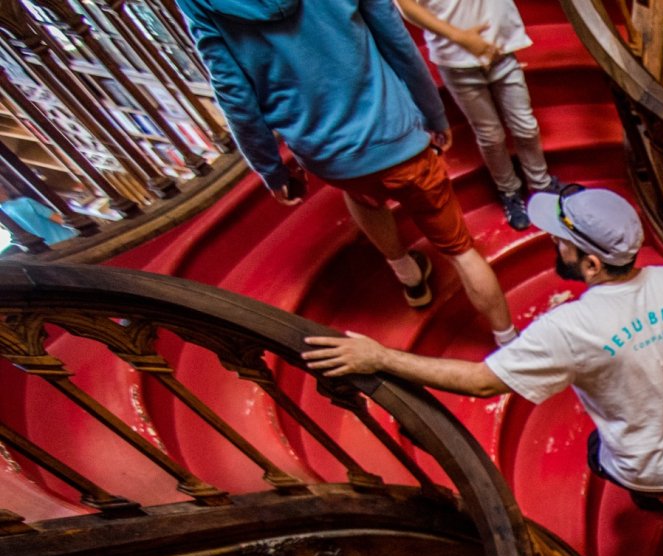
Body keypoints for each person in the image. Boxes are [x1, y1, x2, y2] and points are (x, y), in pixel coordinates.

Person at [301, 187, 663, 556]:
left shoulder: (568, 328)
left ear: (592, 263)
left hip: (646, 464)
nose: (554, 243)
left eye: (563, 241)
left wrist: (380, 357)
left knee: (599, 454)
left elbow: (483, 382)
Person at [176, 0, 518, 345]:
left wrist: (271, 169)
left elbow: (232, 91)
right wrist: (433, 112)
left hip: (326, 153)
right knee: (461, 251)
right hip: (395, 134)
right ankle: (507, 340)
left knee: (363, 196)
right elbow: (395, 39)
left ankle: (410, 277)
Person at [395, 0, 562, 230]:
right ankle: (509, 191)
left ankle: (541, 184)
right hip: (456, 61)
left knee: (526, 126)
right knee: (490, 135)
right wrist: (461, 37)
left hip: (501, 50)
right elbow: (406, 6)